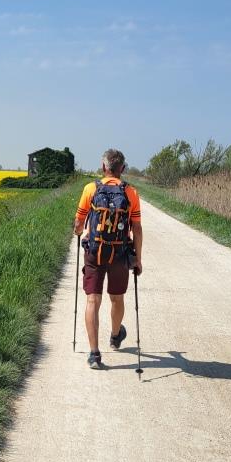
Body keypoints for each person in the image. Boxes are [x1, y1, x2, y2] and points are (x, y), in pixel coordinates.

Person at [73, 148, 143, 369]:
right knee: (117, 298)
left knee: (93, 300)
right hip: (120, 253)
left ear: (104, 167)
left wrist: (78, 231)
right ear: (123, 168)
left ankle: (94, 354)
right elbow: (137, 228)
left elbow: (78, 224)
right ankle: (115, 336)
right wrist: (138, 259)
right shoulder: (130, 192)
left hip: (95, 251)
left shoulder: (90, 189)